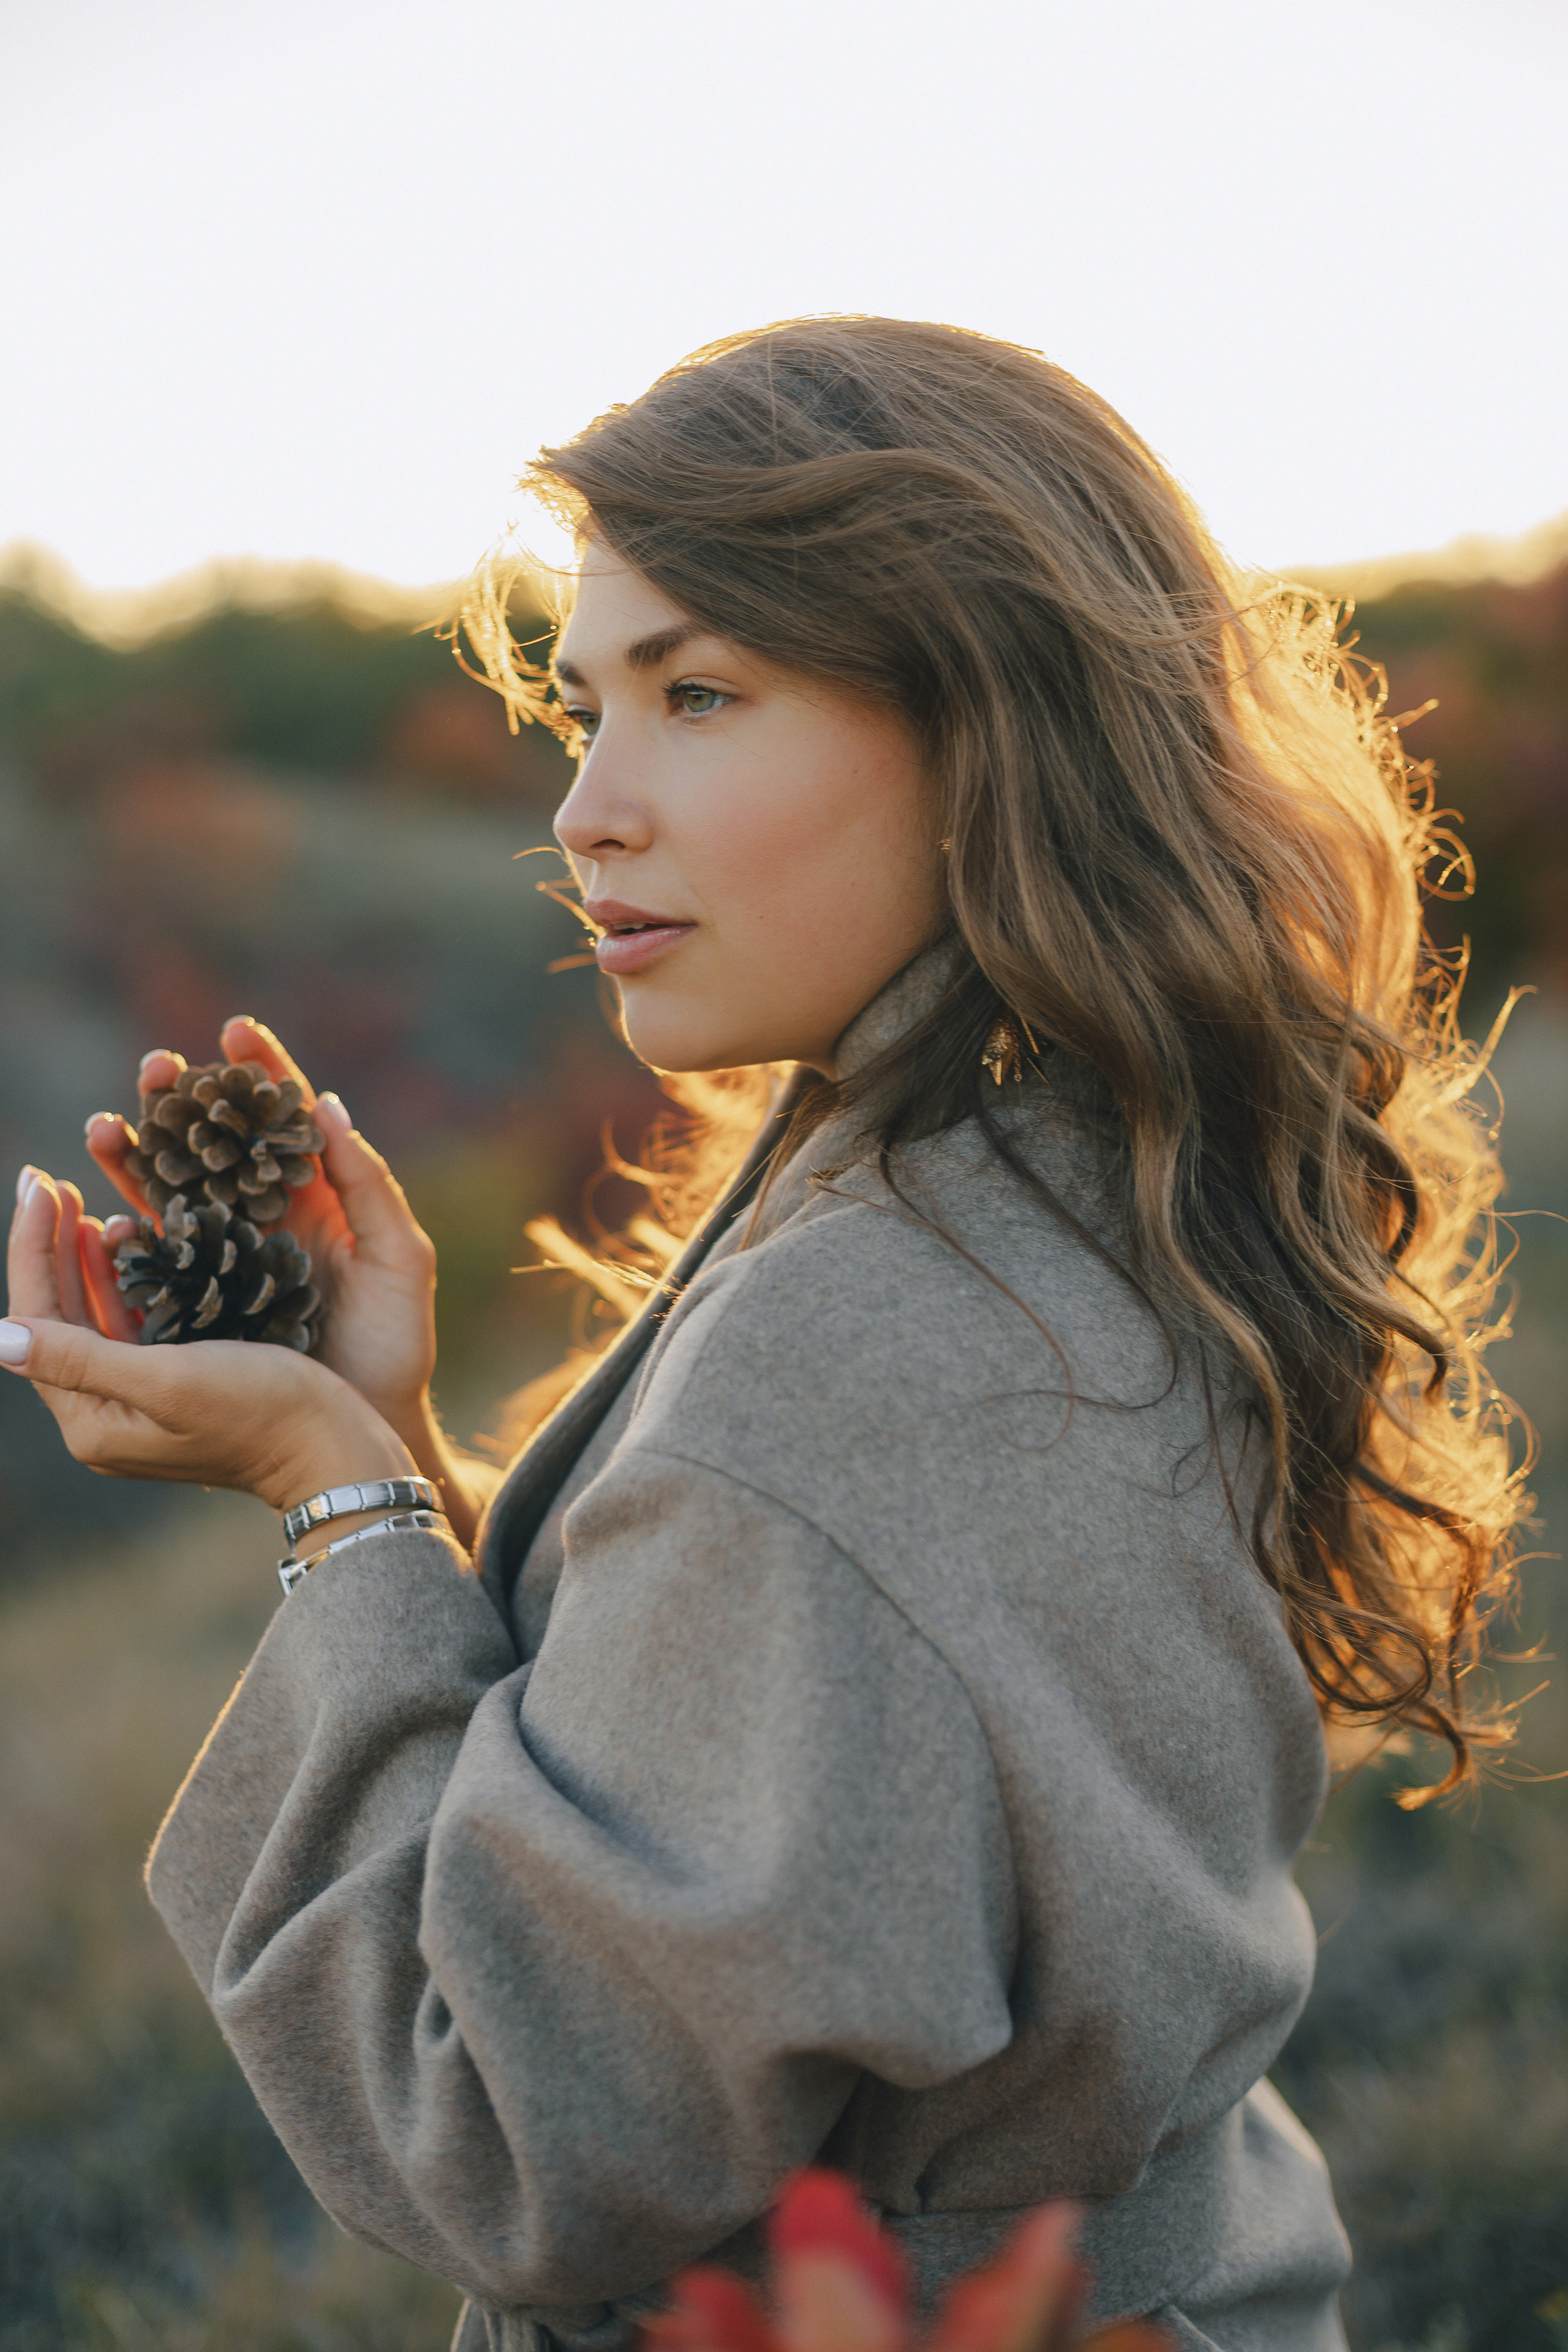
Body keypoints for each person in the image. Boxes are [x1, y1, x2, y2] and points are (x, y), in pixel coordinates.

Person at [1, 317, 1523, 2351]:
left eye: (699, 693)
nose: (585, 812)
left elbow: (522, 2138)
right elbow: (749, 1773)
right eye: (586, 710)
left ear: (993, 725)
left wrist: (332, 1496)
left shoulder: (870, 1330)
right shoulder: (1102, 1170)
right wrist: (389, 1450)